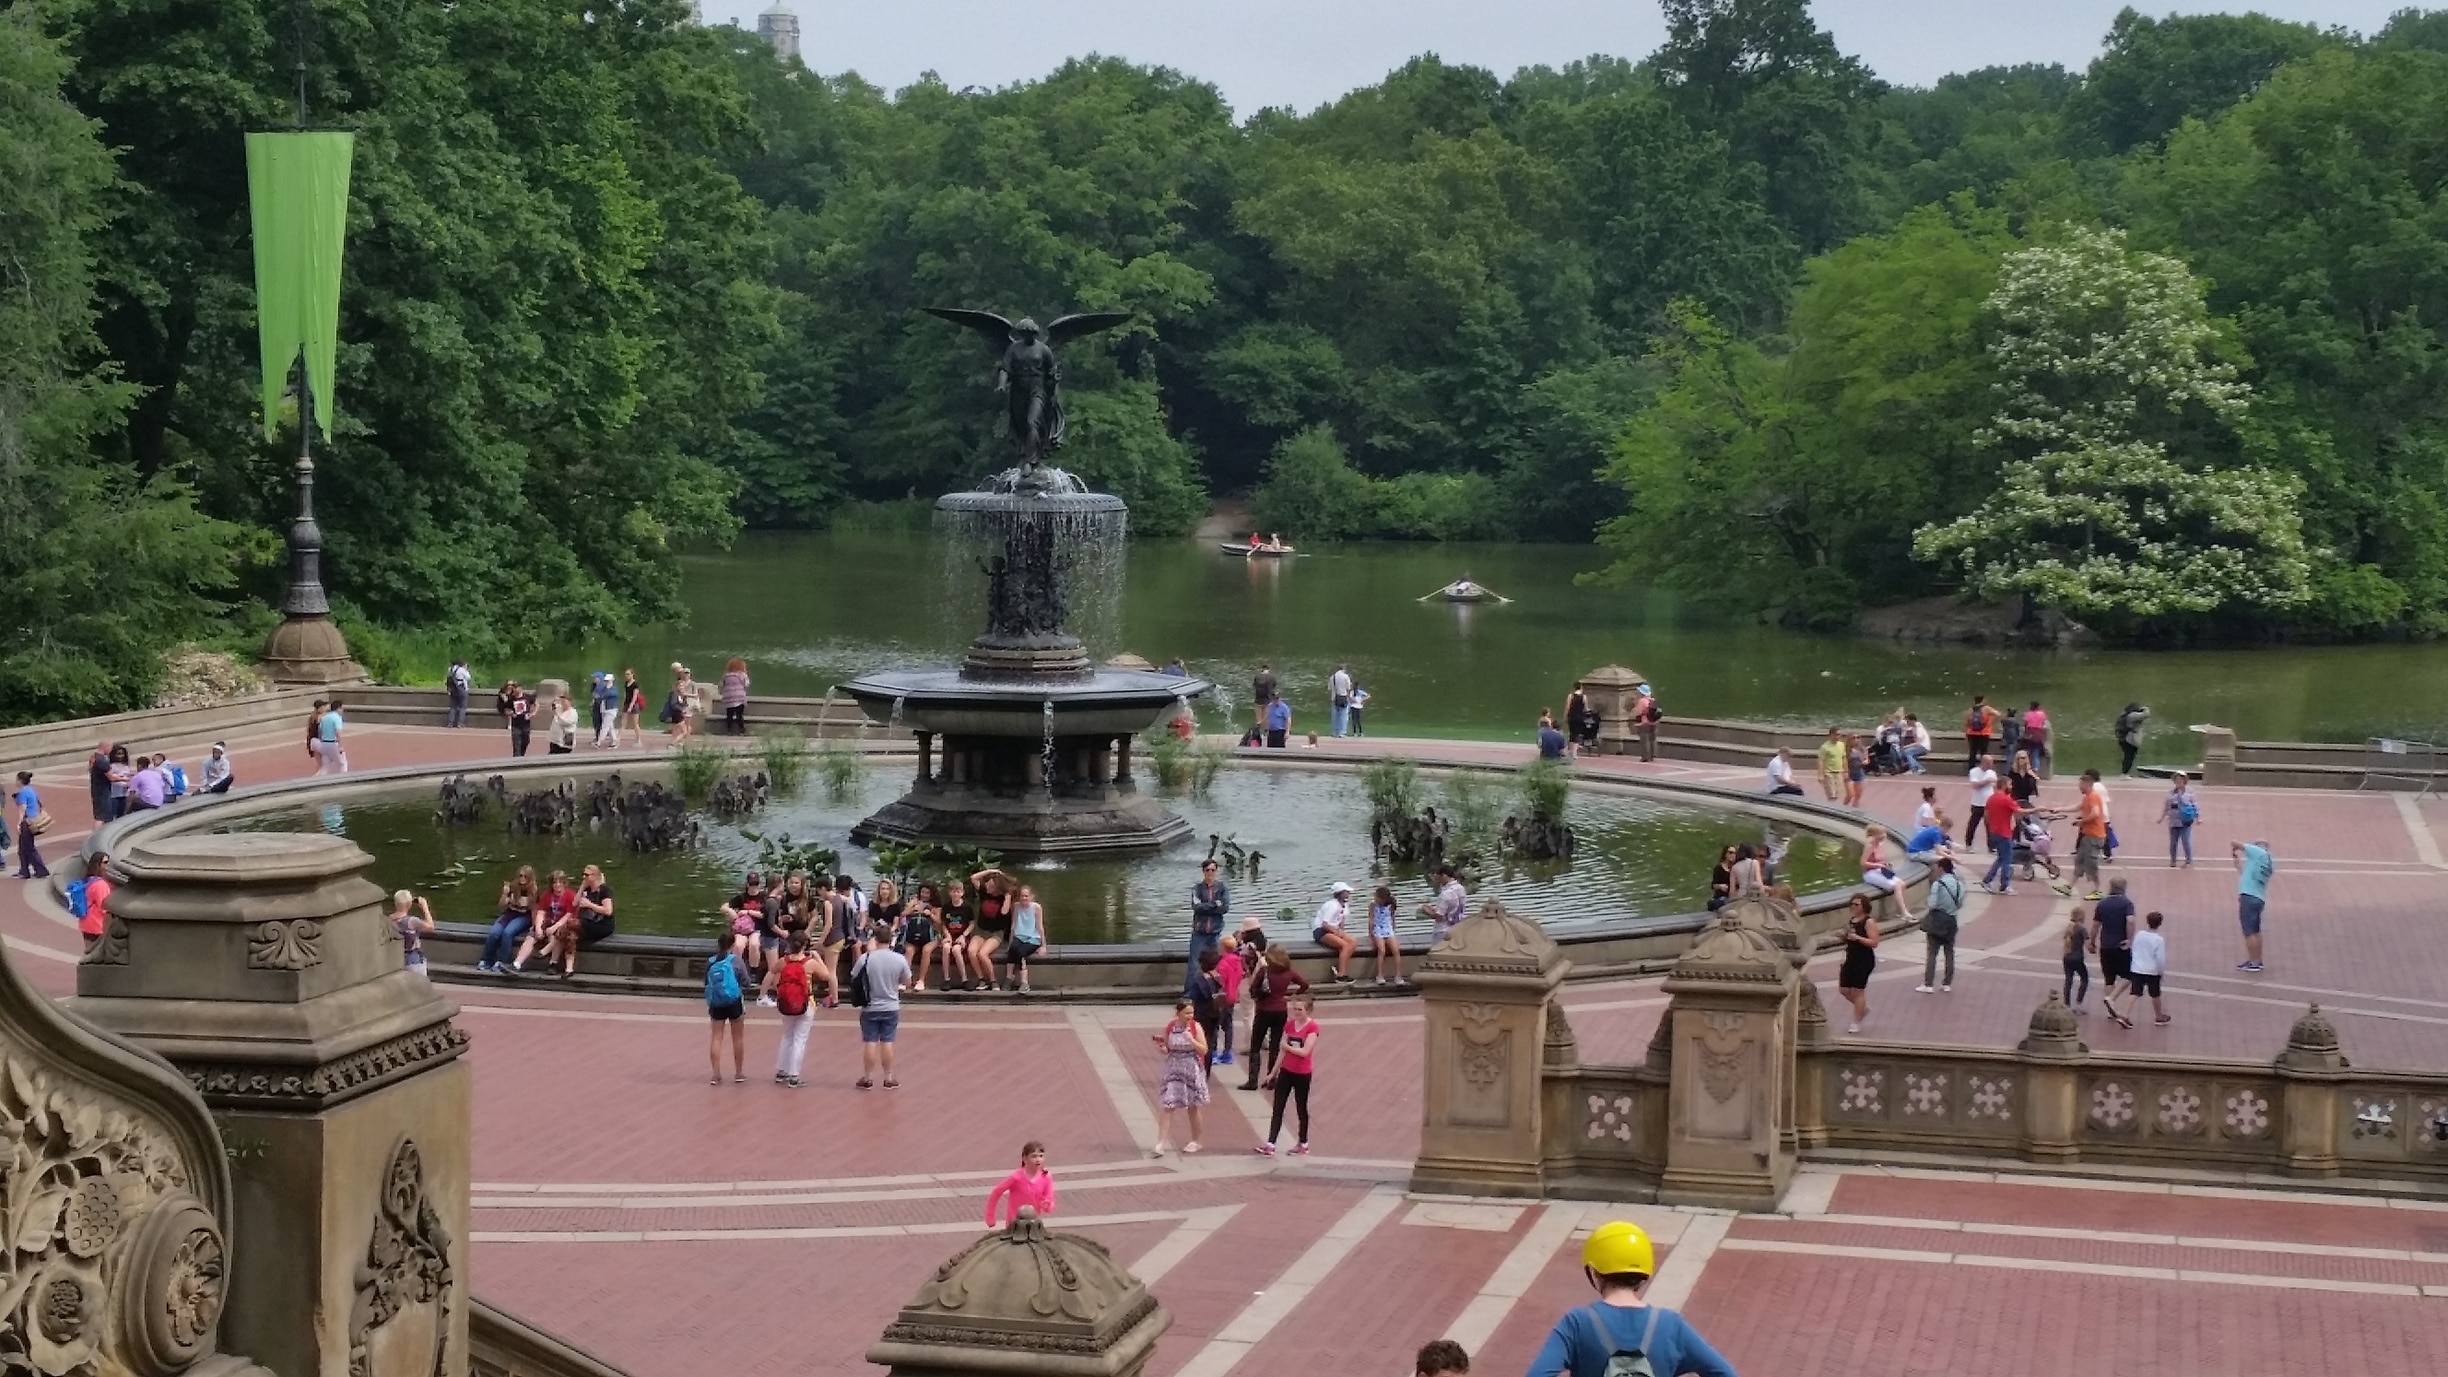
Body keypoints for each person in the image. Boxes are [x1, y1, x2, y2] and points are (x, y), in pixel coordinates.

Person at [1523, 1219, 1737, 1377]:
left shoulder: (1577, 1323)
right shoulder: (1670, 1324)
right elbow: (1725, 1374)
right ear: (1644, 1275)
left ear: (1595, 1273)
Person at [1256, 990, 1320, 1155]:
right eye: (1295, 1009)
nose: (1296, 1012)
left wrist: (1288, 1047)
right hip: (1286, 1071)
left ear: (1308, 1010)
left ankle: (1303, 1142)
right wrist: (1273, 1072)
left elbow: (1305, 1051)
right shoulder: (1290, 1025)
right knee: (1278, 1107)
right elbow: (1282, 1052)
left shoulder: (1312, 1027)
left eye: (1300, 1009)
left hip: (1302, 1073)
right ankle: (1270, 1143)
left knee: (1301, 1107)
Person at [1239, 945, 1309, 1091]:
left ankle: (1252, 1080)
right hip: (1281, 1010)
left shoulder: (1265, 971)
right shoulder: (1289, 972)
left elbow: (1253, 989)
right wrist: (1291, 996)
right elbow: (1304, 984)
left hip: (1264, 1010)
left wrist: (1258, 997)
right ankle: (1271, 1079)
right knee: (1275, 1045)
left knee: (1256, 1046)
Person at [850, 931, 913, 1089]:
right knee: (888, 1041)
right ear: (890, 940)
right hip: (891, 1005)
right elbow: (908, 981)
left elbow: (854, 975)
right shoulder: (899, 959)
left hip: (870, 1006)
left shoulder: (866, 958)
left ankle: (868, 1077)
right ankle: (888, 1077)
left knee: (870, 1041)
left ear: (875, 940)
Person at [1151, 998, 1210, 1155]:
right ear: (1178, 1013)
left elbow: (1204, 1050)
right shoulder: (1171, 1026)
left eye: (1191, 1012)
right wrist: (1162, 1046)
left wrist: (1191, 1040)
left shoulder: (1195, 1027)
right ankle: (1160, 1143)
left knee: (1193, 1106)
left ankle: (1196, 1140)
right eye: (1186, 1013)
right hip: (1173, 1068)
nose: (1190, 1016)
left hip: (1191, 1068)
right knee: (1168, 1105)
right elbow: (1168, 1047)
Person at [2103, 911, 2170, 1029]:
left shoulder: (2140, 934)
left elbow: (2134, 948)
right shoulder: (2159, 940)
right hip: (2152, 970)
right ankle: (2159, 1016)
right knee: (2155, 994)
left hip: (2137, 968)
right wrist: (2161, 971)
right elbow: (2160, 958)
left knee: (2134, 992)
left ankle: (2125, 1015)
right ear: (2160, 924)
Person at [768, 933, 818, 1087]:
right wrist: (818, 957)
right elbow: (827, 975)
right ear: (805, 945)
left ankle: (781, 1071)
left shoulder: (784, 961)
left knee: (787, 1036)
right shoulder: (809, 963)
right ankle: (794, 1075)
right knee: (800, 1039)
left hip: (786, 1002)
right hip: (805, 1002)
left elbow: (773, 970)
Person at [511, 869, 579, 976]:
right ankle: (517, 963)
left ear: (564, 883)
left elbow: (569, 915)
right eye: (554, 882)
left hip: (561, 923)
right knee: (531, 936)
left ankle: (553, 963)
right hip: (548, 921)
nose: (557, 885)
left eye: (560, 882)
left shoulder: (570, 895)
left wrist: (555, 927)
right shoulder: (547, 895)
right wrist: (538, 927)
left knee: (559, 935)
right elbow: (541, 912)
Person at [476, 867, 539, 973]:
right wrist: (505, 894)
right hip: (510, 914)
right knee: (494, 933)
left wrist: (534, 926)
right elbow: (501, 906)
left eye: (525, 876)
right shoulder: (512, 887)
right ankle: (486, 959)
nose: (522, 878)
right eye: (520, 876)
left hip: (524, 916)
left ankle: (502, 961)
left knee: (507, 933)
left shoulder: (533, 891)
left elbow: (534, 910)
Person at [705, 931, 748, 1084]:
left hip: (716, 1002)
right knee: (738, 1038)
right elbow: (746, 981)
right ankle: (738, 1073)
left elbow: (706, 983)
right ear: (732, 944)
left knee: (716, 1038)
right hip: (734, 1001)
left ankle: (716, 1075)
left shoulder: (710, 961)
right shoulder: (736, 961)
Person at [1917, 857, 1962, 993]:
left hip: (1937, 920)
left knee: (1932, 952)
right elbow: (1959, 904)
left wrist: (1928, 902)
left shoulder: (1938, 884)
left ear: (1941, 868)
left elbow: (1932, 904)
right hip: (1951, 920)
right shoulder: (1959, 884)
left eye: (1937, 868)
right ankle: (1947, 983)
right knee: (1949, 952)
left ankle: (1928, 984)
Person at [986, 1141, 1058, 1226]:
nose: (1038, 1160)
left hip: (1033, 1225)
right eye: (1034, 1156)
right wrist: (990, 1218)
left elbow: (1049, 1199)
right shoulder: (1017, 1177)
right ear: (1025, 1158)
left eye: (1041, 1156)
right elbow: (996, 1192)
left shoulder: (1046, 1176)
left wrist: (1047, 1205)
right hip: (1014, 1225)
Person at [1836, 892, 1878, 1034]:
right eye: (1852, 904)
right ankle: (1862, 1008)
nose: (1853, 906)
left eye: (1856, 904)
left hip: (1864, 959)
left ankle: (1856, 1021)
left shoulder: (1868, 922)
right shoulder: (1852, 920)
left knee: (1858, 990)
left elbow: (1874, 942)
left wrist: (1858, 938)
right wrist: (1843, 936)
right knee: (1844, 989)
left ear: (1864, 906)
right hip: (1850, 957)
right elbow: (1849, 939)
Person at [967, 868, 1013, 991]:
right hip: (981, 930)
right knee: (971, 951)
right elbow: (974, 878)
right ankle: (982, 979)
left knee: (982, 954)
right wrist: (992, 871)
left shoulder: (1003, 898)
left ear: (996, 888)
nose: (987, 884)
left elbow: (1004, 912)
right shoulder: (984, 893)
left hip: (995, 933)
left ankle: (993, 981)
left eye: (990, 884)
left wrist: (1007, 895)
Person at [2234, 837, 2275, 972]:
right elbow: (2247, 875)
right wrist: (2238, 864)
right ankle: (2257, 959)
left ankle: (2253, 962)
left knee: (2249, 932)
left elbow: (2235, 842)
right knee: (2256, 930)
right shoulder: (2269, 862)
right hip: (2259, 897)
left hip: (2248, 897)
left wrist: (2234, 848)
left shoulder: (2257, 853)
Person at [1189, 859, 1230, 991]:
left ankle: (1214, 990)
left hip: (1215, 932)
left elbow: (1224, 908)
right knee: (1194, 965)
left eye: (1213, 870)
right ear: (1203, 872)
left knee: (1217, 963)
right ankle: (1189, 993)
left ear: (1216, 871)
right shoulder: (1197, 889)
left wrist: (1206, 906)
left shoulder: (1222, 888)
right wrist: (1214, 904)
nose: (1210, 873)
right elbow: (1196, 906)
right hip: (1199, 933)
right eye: (1207, 870)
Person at [1858, 824, 1914, 920]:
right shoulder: (1869, 846)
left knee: (1902, 884)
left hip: (1880, 870)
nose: (1884, 835)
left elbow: (1881, 859)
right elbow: (1863, 863)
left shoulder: (1880, 845)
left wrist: (1886, 864)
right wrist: (1877, 865)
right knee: (1897, 886)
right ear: (1875, 835)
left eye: (1884, 833)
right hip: (1870, 873)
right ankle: (1904, 912)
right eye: (1881, 834)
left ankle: (1899, 911)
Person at [2091, 878, 2136, 997]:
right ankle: (2111, 999)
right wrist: (2129, 939)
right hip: (2121, 945)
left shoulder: (2102, 903)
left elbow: (2096, 925)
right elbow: (2130, 921)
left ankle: (2110, 1006)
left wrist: (2092, 941)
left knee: (2109, 979)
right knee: (2129, 976)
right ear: (2124, 888)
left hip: (2106, 945)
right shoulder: (2127, 903)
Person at [897, 880, 942, 991]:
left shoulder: (936, 907)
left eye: (927, 893)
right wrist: (913, 909)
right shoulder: (914, 902)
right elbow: (902, 915)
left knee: (926, 951)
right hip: (914, 935)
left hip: (931, 936)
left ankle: (921, 980)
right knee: (909, 951)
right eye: (922, 892)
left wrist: (930, 914)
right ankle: (905, 980)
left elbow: (940, 923)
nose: (924, 895)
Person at [2072, 771, 2108, 900]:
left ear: (2087, 784)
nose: (2079, 787)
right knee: (2079, 860)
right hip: (2087, 835)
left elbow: (2095, 813)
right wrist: (2060, 809)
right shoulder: (2087, 797)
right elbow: (2077, 807)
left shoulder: (2093, 796)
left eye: (2081, 784)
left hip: (2094, 836)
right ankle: (2069, 886)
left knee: (2091, 864)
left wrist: (2081, 821)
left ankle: (2098, 890)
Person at [1312, 881, 1358, 982]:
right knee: (1344, 945)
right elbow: (1325, 924)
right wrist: (1337, 934)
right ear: (1340, 893)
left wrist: (1342, 933)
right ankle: (1341, 975)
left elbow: (1341, 921)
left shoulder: (1344, 905)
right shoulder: (1332, 905)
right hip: (1321, 931)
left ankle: (1339, 968)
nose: (1348, 894)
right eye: (1346, 892)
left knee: (1353, 942)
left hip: (1334, 929)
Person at [1214, 935, 1247, 1065]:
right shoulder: (1238, 962)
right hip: (1233, 996)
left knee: (1215, 1026)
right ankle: (1227, 1053)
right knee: (1228, 1025)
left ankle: (1214, 1053)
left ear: (1223, 947)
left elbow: (1219, 982)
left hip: (1222, 998)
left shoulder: (1222, 964)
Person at [9, 773, 49, 880]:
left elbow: (22, 809)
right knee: (23, 848)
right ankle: (25, 870)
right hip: (34, 819)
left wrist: (18, 823)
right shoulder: (31, 790)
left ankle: (40, 870)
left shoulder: (22, 793)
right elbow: (39, 803)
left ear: (20, 781)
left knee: (28, 848)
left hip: (27, 822)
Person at [1008, 885, 1047, 994]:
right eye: (1022, 896)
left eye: (1026, 896)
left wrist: (1043, 945)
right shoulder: (1016, 906)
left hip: (1033, 938)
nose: (1024, 898)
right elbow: (1014, 924)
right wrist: (1010, 941)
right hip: (1020, 936)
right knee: (1012, 949)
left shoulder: (1036, 907)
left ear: (1031, 896)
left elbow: (1040, 926)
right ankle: (1009, 977)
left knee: (1021, 953)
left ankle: (1024, 982)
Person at [2159, 772, 2200, 868]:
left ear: (2185, 781)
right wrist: (2161, 818)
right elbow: (2167, 807)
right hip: (2174, 820)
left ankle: (2188, 861)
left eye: (2181, 780)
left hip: (2185, 821)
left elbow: (2195, 806)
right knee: (2173, 842)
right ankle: (2173, 860)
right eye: (2177, 780)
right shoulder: (2171, 793)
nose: (2178, 782)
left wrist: (2198, 818)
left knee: (2186, 841)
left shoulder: (2189, 793)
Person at [390, 890, 435, 974]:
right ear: (409, 904)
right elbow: (431, 927)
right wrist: (425, 907)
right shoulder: (412, 921)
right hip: (413, 960)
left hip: (396, 960)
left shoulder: (389, 920)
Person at [76, 853, 113, 954]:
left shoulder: (88, 881)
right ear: (98, 864)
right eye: (105, 862)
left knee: (89, 953)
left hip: (86, 923)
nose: (108, 865)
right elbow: (105, 906)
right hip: (98, 926)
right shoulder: (100, 885)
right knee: (98, 956)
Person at [1367, 883, 1402, 985]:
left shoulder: (1390, 905)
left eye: (1377, 897)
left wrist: (1393, 930)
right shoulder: (1373, 905)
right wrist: (1370, 935)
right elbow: (1371, 920)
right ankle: (1380, 975)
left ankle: (1398, 975)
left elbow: (1392, 918)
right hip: (1378, 929)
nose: (1375, 898)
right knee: (1381, 950)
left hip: (1388, 928)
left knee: (1396, 950)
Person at [575, 863, 616, 950]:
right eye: (583, 874)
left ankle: (546, 953)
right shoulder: (587, 889)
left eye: (586, 875)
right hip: (588, 921)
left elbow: (608, 911)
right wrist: (582, 887)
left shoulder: (604, 890)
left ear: (594, 876)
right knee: (568, 936)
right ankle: (557, 960)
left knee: (570, 926)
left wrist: (590, 905)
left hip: (602, 924)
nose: (584, 877)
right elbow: (574, 903)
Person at [1427, 862, 1468, 942]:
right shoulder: (1461, 889)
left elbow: (1439, 916)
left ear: (1444, 875)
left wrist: (1427, 911)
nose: (1436, 879)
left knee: (1437, 952)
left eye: (1437, 876)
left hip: (1443, 930)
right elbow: (1454, 908)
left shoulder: (1445, 894)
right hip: (1457, 926)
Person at [2061, 905, 2092, 1012]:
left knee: (2068, 980)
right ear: (2081, 917)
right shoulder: (2082, 929)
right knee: (2084, 978)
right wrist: (2092, 949)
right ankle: (2078, 1003)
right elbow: (2088, 944)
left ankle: (2067, 1004)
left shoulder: (2068, 928)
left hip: (2067, 956)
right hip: (2078, 958)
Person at [717, 657, 751, 736]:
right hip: (739, 697)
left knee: (729, 715)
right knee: (739, 715)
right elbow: (746, 684)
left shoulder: (726, 675)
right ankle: (741, 730)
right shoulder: (743, 675)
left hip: (729, 697)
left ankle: (729, 730)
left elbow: (721, 684)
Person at [2115, 702, 2149, 775]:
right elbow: (2146, 715)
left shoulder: (2123, 715)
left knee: (2127, 756)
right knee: (2129, 757)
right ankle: (2125, 773)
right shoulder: (2132, 715)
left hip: (2122, 739)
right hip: (2130, 739)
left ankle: (2125, 772)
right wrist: (2145, 708)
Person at [314, 698, 347, 774]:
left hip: (324, 744)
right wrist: (340, 746)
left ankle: (316, 780)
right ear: (338, 708)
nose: (342, 710)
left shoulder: (325, 717)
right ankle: (343, 780)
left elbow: (320, 731)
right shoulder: (337, 718)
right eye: (341, 708)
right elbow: (338, 732)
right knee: (343, 763)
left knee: (325, 766)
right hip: (333, 743)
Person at [1963, 695, 1996, 769]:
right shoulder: (1986, 709)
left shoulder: (1970, 709)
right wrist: (1990, 722)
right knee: (1983, 752)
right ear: (1983, 700)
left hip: (1971, 733)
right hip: (1984, 733)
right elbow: (1998, 714)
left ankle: (1971, 769)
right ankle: (1984, 768)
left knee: (1972, 752)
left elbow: (1966, 722)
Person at [85, 741, 113, 824]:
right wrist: (124, 778)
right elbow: (111, 777)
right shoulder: (102, 760)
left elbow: (89, 769)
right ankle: (98, 835)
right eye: (110, 748)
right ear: (106, 747)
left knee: (99, 815)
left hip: (96, 788)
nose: (111, 750)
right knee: (103, 816)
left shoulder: (93, 757)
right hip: (102, 790)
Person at [1634, 685, 1663, 763]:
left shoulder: (1642, 701)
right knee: (1653, 739)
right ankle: (1653, 755)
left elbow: (1638, 712)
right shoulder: (1652, 700)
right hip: (1654, 723)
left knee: (1645, 740)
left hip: (1645, 723)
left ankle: (1645, 757)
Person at [2022, 701, 2051, 777]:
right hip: (2038, 735)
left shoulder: (2028, 714)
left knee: (2028, 752)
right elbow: (2044, 723)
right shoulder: (2041, 714)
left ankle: (2026, 769)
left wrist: (2026, 733)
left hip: (2030, 734)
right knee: (2036, 753)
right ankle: (2035, 770)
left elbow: (2025, 724)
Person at [589, 673, 619, 747]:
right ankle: (614, 740)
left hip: (611, 710)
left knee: (605, 726)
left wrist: (603, 693)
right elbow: (597, 695)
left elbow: (610, 694)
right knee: (610, 726)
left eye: (608, 680)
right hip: (604, 709)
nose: (606, 682)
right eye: (605, 680)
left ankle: (599, 742)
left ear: (611, 681)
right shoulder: (603, 688)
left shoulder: (613, 689)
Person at [618, 668, 646, 747]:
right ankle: (618, 739)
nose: (626, 676)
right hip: (626, 704)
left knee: (635, 724)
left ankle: (638, 740)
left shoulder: (635, 684)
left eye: (628, 674)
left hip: (634, 705)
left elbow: (635, 696)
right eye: (626, 674)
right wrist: (623, 704)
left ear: (632, 674)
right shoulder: (626, 683)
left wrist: (630, 707)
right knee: (623, 723)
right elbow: (625, 695)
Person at [1815, 728, 1845, 800]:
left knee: (1837, 793)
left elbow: (1844, 758)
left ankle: (1832, 806)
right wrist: (1820, 775)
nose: (1839, 736)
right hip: (1829, 773)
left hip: (1839, 772)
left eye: (1840, 734)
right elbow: (1821, 761)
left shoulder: (1841, 745)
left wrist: (1846, 770)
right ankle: (1831, 808)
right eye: (1837, 734)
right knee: (1831, 794)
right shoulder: (1825, 747)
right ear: (1831, 735)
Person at [507, 686, 533, 757]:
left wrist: (532, 713)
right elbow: (506, 709)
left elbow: (536, 704)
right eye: (514, 689)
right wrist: (511, 713)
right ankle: (517, 759)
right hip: (516, 725)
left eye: (517, 688)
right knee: (516, 744)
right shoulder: (511, 699)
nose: (515, 690)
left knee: (525, 741)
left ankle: (521, 755)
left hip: (526, 724)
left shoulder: (527, 697)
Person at [1329, 663, 1354, 737]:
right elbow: (1348, 688)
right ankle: (1342, 732)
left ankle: (1334, 732)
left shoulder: (1332, 677)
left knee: (1335, 716)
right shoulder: (1346, 677)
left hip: (1334, 698)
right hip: (1343, 697)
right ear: (1344, 669)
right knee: (1343, 715)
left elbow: (1329, 688)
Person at [1843, 733, 1867, 808]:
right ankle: (1843, 807)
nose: (1856, 740)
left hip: (1859, 772)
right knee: (1850, 795)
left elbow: (1866, 758)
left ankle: (1855, 810)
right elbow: (1844, 760)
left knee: (1858, 795)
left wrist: (1866, 761)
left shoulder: (1862, 748)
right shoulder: (1846, 749)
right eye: (1853, 738)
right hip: (1849, 772)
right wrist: (1845, 771)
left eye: (1858, 737)